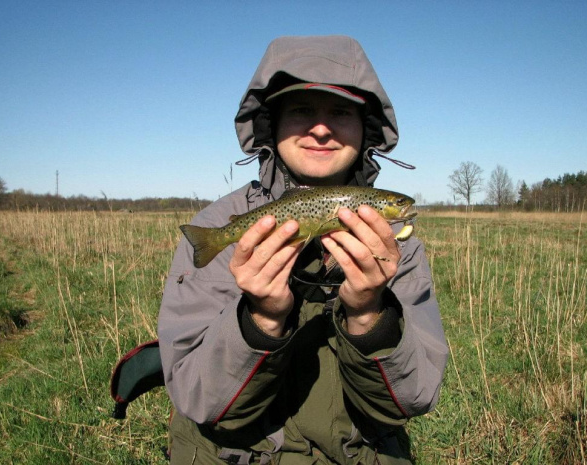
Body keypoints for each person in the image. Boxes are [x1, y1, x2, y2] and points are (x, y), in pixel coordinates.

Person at [158, 35, 448, 464]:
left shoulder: (394, 246)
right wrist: (260, 319)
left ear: (365, 129)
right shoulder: (215, 227)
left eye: (340, 112)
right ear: (269, 124)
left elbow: (410, 401)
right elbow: (199, 400)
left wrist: (369, 313)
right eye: (301, 110)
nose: (320, 128)